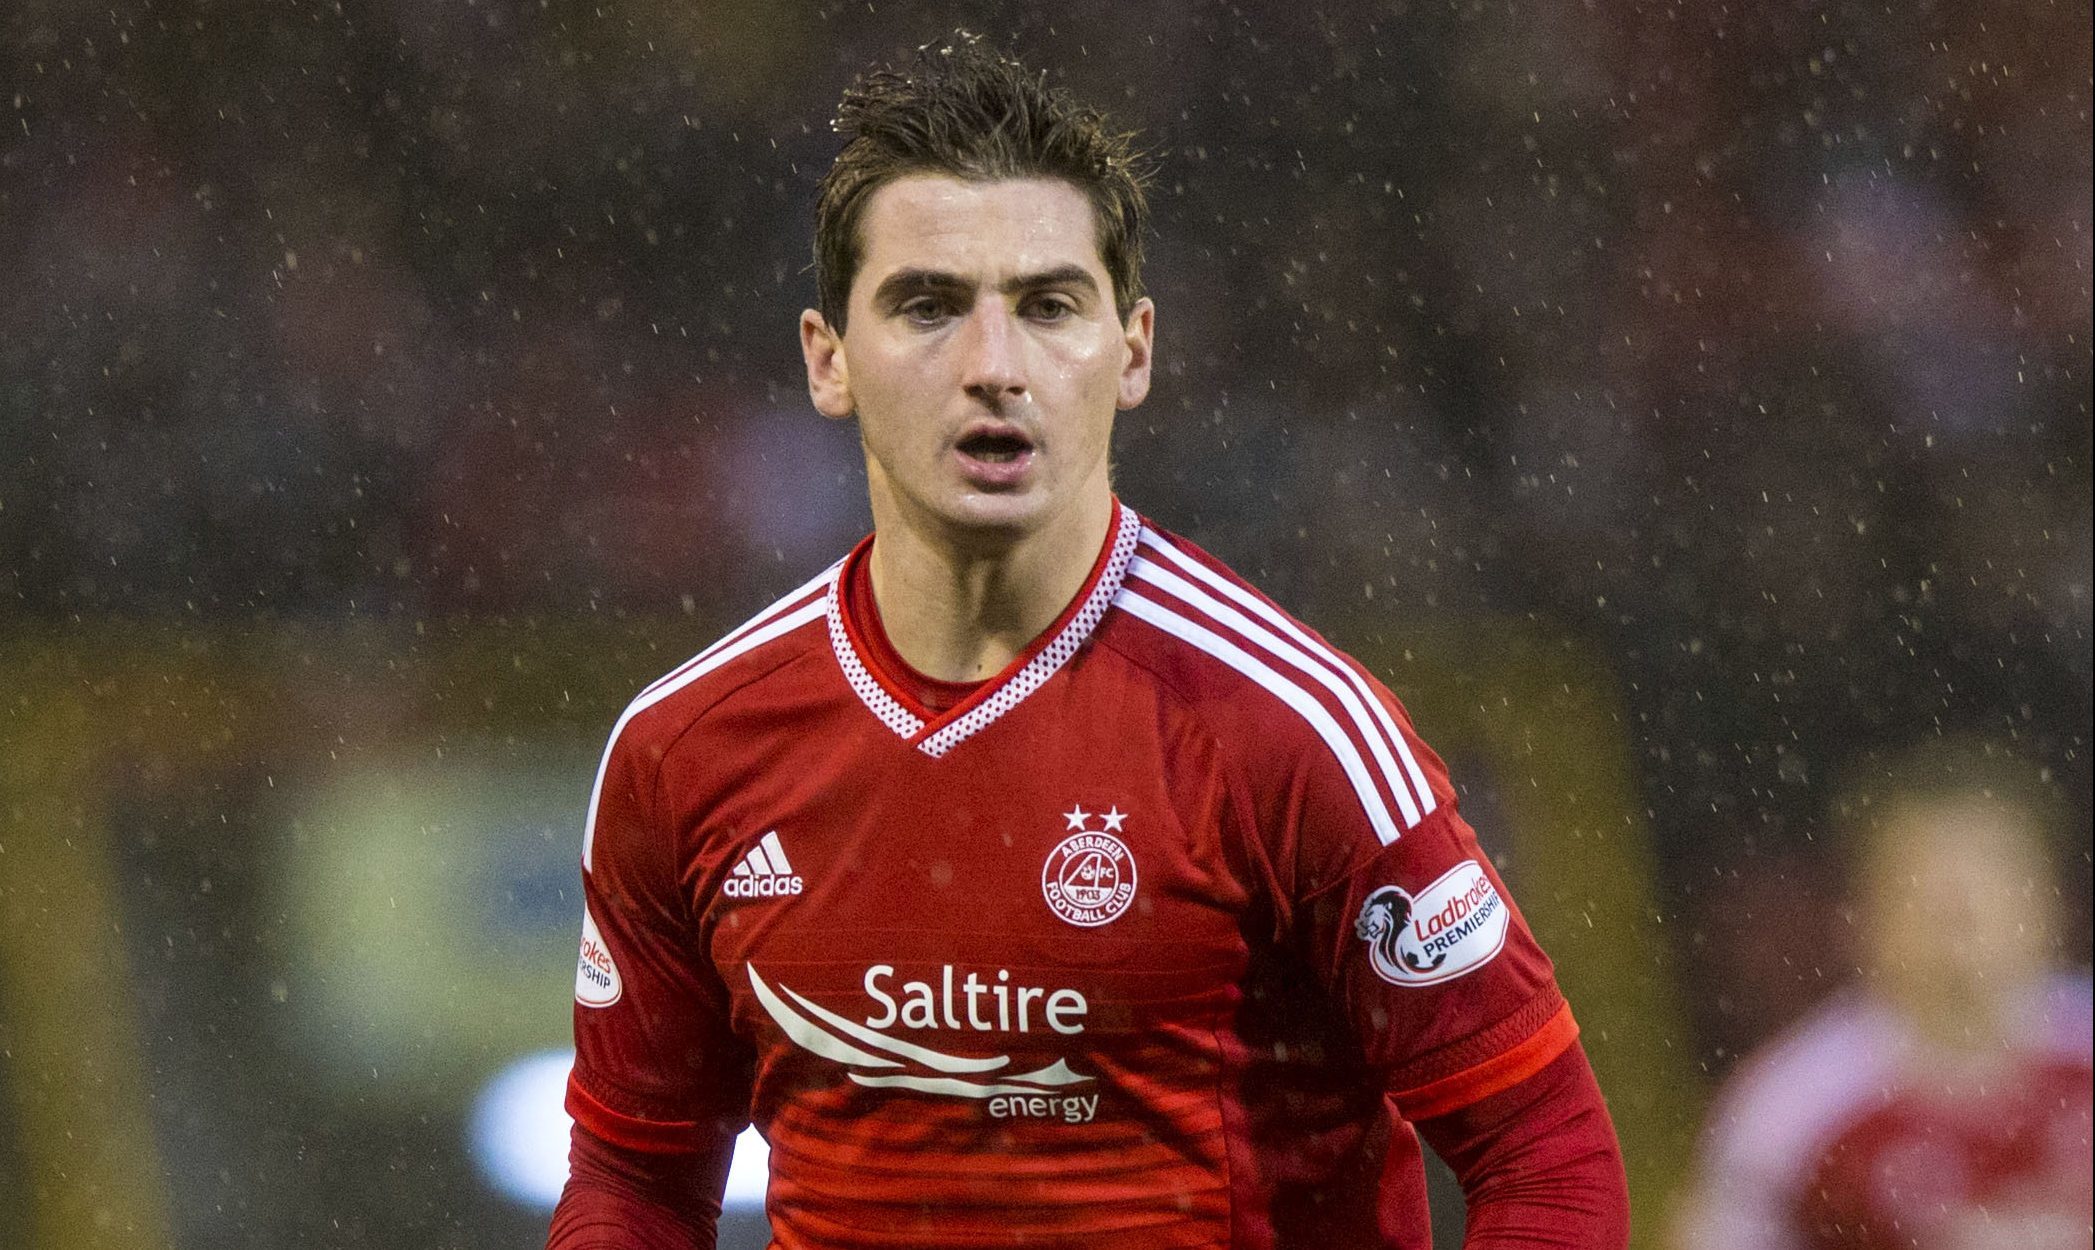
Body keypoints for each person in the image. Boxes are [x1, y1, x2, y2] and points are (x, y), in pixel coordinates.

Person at [548, 37, 1629, 1250]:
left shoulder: (1292, 729)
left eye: (1049, 305)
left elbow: (1548, 1157)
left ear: (1133, 351)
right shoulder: (681, 751)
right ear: (827, 359)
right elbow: (632, 1179)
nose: (993, 365)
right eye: (926, 305)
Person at [1676, 740, 2093, 1250]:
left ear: (2054, 904)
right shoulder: (1788, 1111)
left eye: (1989, 883)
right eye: (1928, 891)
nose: (1959, 916)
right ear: (1860, 918)